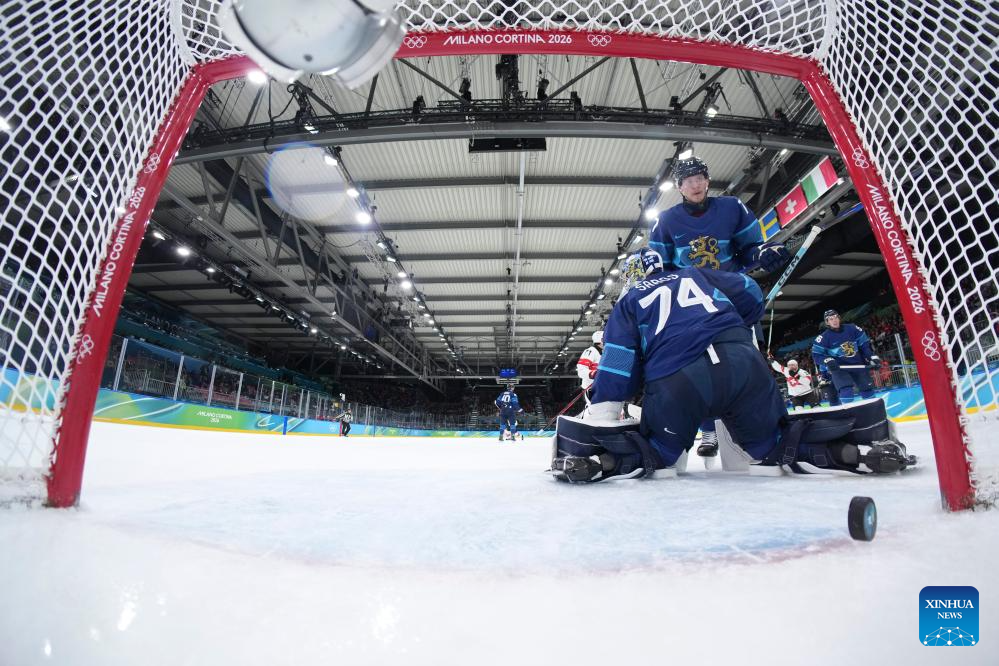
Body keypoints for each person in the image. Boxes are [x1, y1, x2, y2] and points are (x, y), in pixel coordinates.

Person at [548, 248, 916, 482]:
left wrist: (607, 407)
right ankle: (854, 451)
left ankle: (601, 463)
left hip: (679, 380)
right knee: (772, 448)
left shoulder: (628, 303)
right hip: (744, 364)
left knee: (659, 455)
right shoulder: (696, 274)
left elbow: (618, 366)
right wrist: (737, 320)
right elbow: (751, 292)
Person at [648, 157, 790, 460]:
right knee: (700, 368)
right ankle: (709, 431)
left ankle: (761, 432)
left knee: (746, 364)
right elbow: (660, 271)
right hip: (693, 306)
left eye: (700, 178)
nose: (695, 184)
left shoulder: (732, 208)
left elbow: (750, 249)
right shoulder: (666, 221)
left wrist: (764, 253)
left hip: (732, 298)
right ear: (679, 187)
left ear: (708, 180)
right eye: (688, 180)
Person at [811, 310, 880, 403]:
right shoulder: (823, 338)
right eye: (831, 319)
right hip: (840, 368)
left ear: (839, 318)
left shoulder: (852, 328)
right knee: (846, 391)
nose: (834, 320)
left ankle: (873, 411)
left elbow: (864, 345)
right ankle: (848, 411)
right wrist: (827, 360)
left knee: (867, 389)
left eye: (836, 317)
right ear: (827, 322)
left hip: (858, 365)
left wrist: (872, 357)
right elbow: (816, 355)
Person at [575, 330, 603, 403]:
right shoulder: (590, 351)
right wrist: (592, 373)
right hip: (591, 388)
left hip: (603, 388)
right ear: (601, 340)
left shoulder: (605, 353)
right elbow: (581, 370)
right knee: (596, 407)